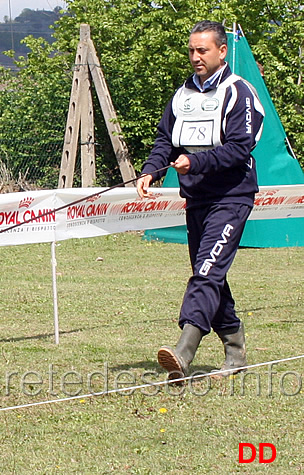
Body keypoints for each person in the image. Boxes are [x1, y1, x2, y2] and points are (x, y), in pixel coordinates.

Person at [136, 20, 265, 381]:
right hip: (196, 198)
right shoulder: (182, 95)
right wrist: (152, 170)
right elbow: (167, 140)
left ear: (222, 52)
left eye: (202, 50)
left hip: (232, 196)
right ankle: (235, 347)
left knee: (207, 271)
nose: (195, 57)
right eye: (191, 50)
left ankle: (184, 351)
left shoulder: (239, 93)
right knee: (210, 273)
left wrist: (196, 161)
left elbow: (240, 148)